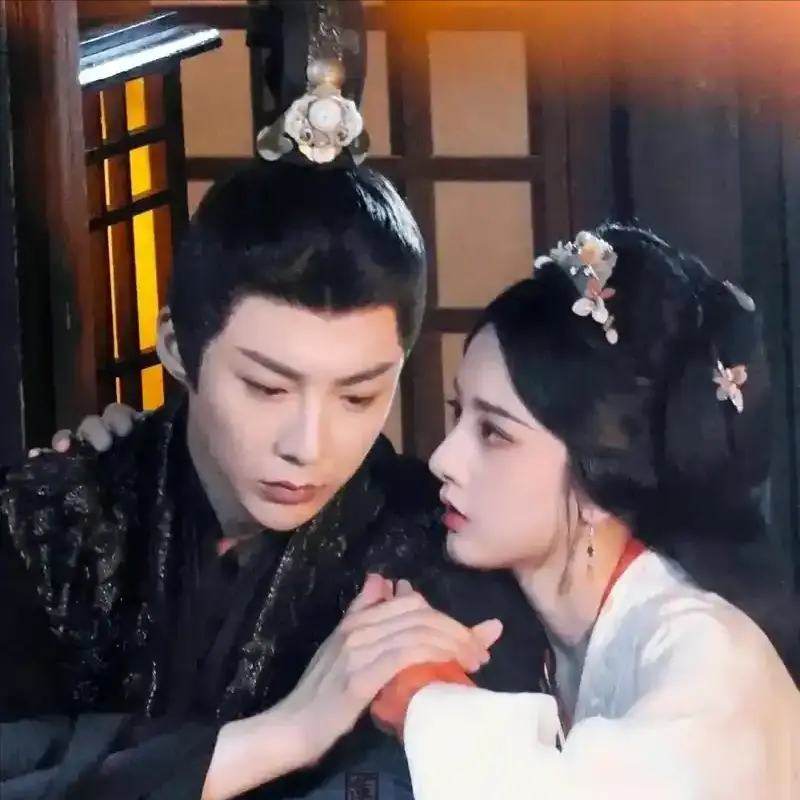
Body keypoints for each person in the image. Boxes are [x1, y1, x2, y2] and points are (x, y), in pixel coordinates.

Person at [0, 155, 546, 800]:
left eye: (358, 396)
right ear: (177, 348)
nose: (307, 446)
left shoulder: (435, 549)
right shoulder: (49, 522)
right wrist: (287, 733)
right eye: (266, 387)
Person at [365, 224, 800, 799]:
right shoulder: (527, 625)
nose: (444, 459)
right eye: (457, 412)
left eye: (494, 432)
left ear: (598, 485)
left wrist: (428, 703)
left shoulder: (708, 652)